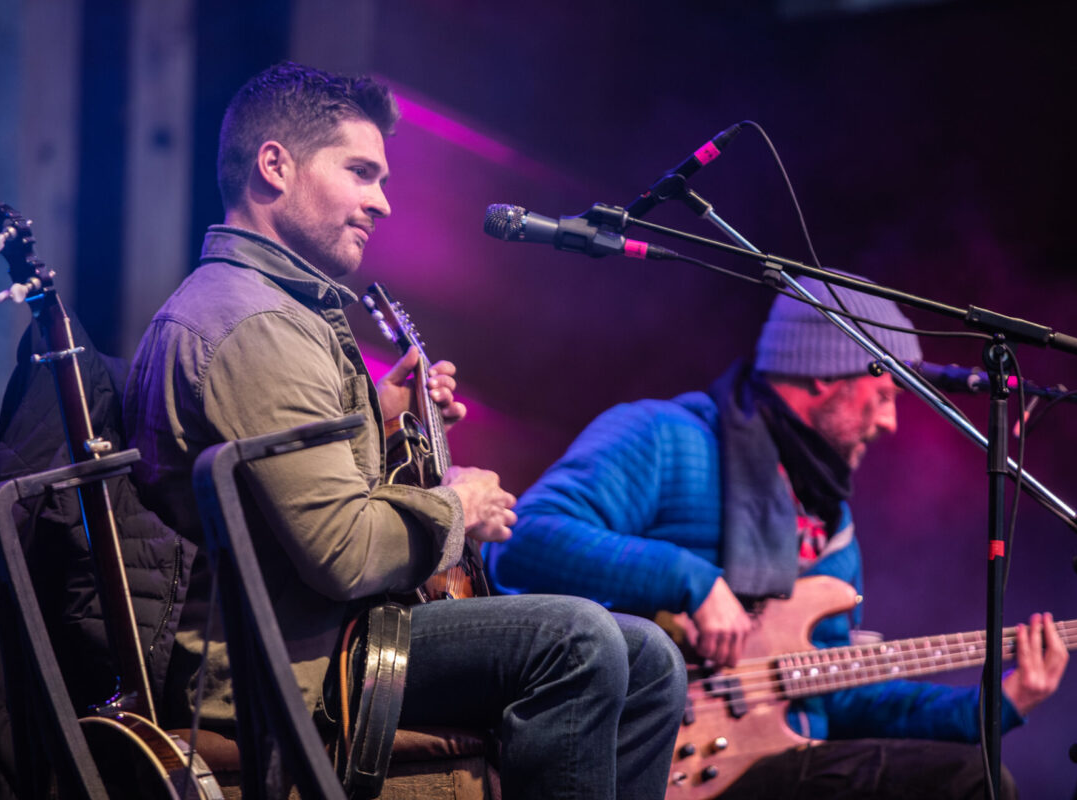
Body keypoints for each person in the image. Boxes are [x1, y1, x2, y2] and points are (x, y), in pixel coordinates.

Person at [123, 61, 685, 800]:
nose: (381, 203)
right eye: (361, 173)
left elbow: (295, 492)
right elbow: (346, 554)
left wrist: (379, 419)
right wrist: (457, 505)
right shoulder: (255, 323)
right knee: (578, 640)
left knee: (650, 658)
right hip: (294, 661)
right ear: (274, 166)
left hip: (336, 633)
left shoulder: (277, 309)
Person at [486, 276, 1070, 799]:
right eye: (886, 392)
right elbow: (522, 540)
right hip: (645, 758)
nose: (891, 421)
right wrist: (692, 580)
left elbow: (834, 691)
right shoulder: (665, 437)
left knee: (976, 774)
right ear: (828, 372)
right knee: (963, 784)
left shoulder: (830, 523)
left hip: (772, 761)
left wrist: (995, 706)